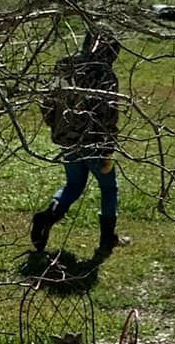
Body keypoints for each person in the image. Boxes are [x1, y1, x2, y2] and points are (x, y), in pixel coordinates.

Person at [30, 30, 127, 256]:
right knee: (108, 187)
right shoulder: (106, 76)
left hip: (67, 140)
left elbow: (47, 101)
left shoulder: (64, 66)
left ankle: (48, 216)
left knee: (74, 184)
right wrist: (108, 144)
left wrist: (56, 126)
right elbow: (108, 114)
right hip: (95, 142)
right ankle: (107, 238)